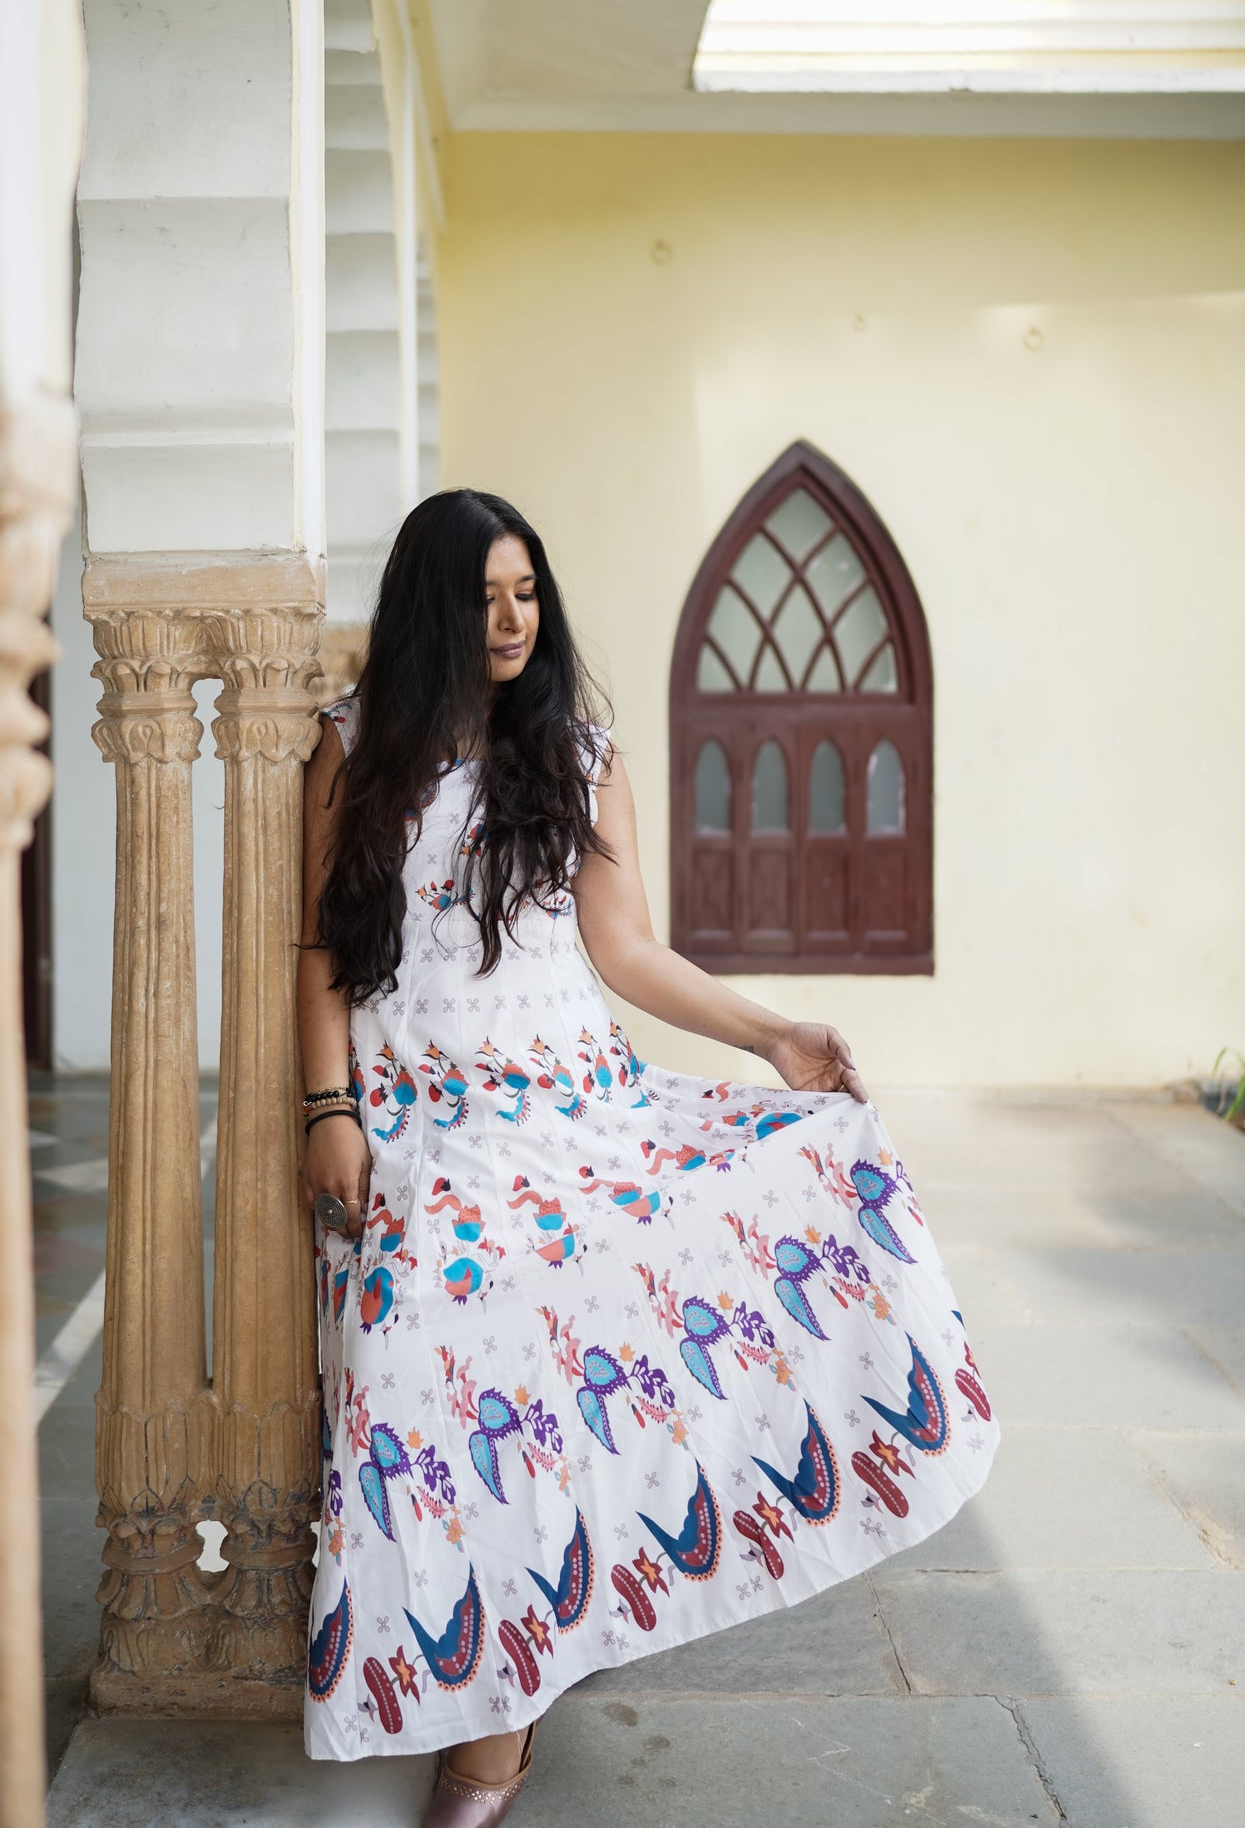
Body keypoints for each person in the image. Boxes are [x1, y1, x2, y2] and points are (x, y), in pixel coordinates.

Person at [298, 489, 996, 1823]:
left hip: (574, 1112)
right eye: (484, 597)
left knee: (595, 1368)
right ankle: (480, 1690)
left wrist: (773, 1033)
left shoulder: (578, 752)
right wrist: (326, 1110)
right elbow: (322, 946)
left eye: (526, 593)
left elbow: (628, 952)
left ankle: (491, 1739)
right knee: (417, 1376)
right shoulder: (350, 750)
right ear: (430, 610)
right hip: (424, 1125)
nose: (511, 621)